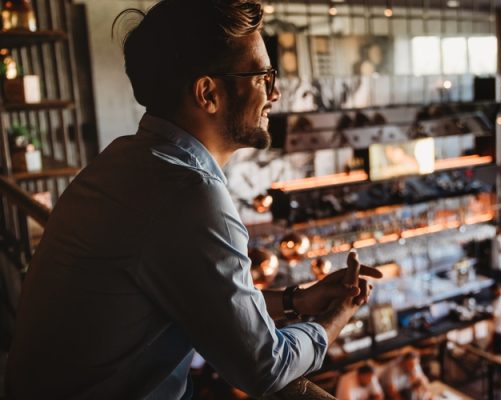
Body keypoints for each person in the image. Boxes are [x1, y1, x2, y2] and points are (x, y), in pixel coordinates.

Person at [6, 1, 381, 398]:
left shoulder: (126, 158)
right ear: (208, 93)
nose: (276, 91)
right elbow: (264, 368)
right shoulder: (188, 194)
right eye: (262, 76)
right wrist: (335, 317)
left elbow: (209, 300)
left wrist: (296, 300)